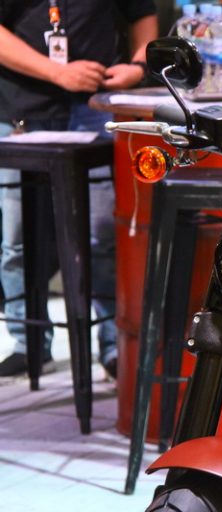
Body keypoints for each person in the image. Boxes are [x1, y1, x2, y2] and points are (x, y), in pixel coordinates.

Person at [0, 1, 158, 378]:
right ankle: (28, 343)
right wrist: (57, 72)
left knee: (102, 234)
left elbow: (142, 13)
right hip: (22, 106)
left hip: (96, 103)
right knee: (18, 239)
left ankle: (113, 343)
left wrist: (138, 67)